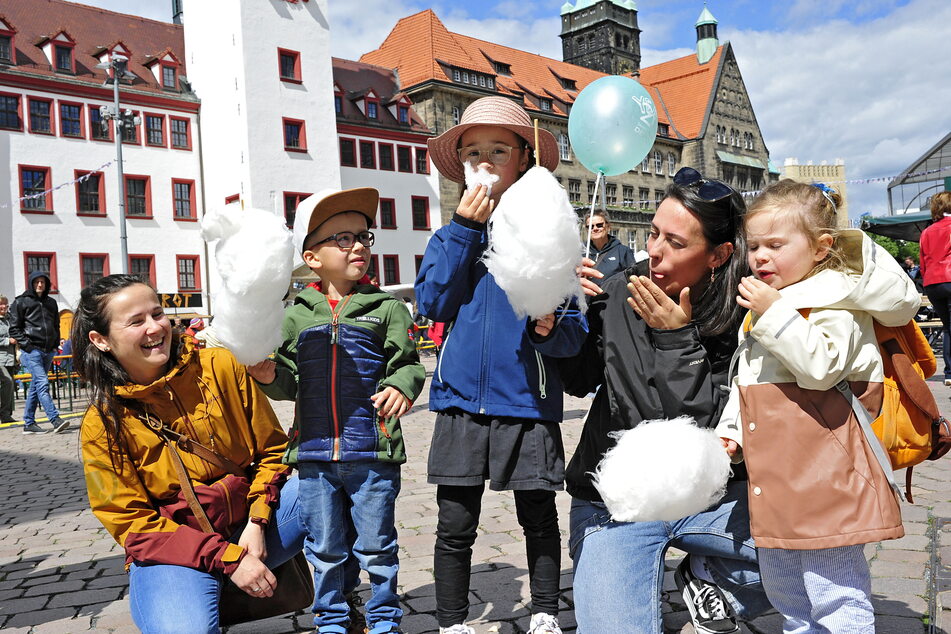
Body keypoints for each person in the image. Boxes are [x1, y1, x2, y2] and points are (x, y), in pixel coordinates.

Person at [562, 166, 771, 634]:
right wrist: (557, 319)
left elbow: (705, 430)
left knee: (814, 549)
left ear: (718, 254)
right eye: (654, 233)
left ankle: (710, 579)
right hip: (615, 498)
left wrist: (677, 340)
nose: (653, 250)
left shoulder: (748, 315)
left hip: (713, 495)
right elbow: (576, 379)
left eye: (676, 243)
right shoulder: (621, 292)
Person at [416, 95, 588, 634]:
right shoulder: (448, 237)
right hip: (460, 401)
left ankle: (543, 613)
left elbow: (574, 334)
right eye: (473, 152)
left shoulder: (550, 236)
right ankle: (451, 621)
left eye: (499, 150)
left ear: (525, 158)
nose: (485, 161)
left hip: (527, 401)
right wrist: (466, 232)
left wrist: (550, 327)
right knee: (454, 524)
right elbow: (432, 303)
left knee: (538, 517)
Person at [716, 180, 918, 632]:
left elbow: (821, 368)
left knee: (836, 593)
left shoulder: (836, 302)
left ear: (821, 247)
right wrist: (730, 430)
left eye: (775, 244)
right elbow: (747, 379)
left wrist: (774, 314)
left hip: (828, 473)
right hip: (781, 473)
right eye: (754, 246)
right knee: (786, 591)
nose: (760, 256)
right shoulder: (770, 305)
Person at [75, 274, 306, 634]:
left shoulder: (221, 366)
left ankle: (342, 608)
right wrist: (226, 558)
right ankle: (201, 590)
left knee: (327, 484)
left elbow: (273, 450)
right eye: (136, 321)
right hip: (176, 555)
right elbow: (131, 524)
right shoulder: (102, 423)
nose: (155, 328)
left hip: (251, 527)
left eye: (157, 314)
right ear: (101, 340)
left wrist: (258, 521)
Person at [249, 187, 426, 634]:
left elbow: (408, 364)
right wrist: (267, 374)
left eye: (364, 237)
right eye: (343, 239)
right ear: (312, 257)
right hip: (313, 456)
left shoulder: (387, 308)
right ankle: (333, 620)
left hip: (373, 454)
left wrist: (400, 387)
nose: (359, 247)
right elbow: (289, 383)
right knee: (326, 548)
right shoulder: (293, 317)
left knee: (378, 548)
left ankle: (385, 620)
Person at [9, 271, 68, 434]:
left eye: (42, 282)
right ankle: (55, 419)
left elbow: (56, 324)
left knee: (36, 386)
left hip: (48, 350)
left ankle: (28, 423)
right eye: (36, 282)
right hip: (32, 350)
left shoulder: (51, 302)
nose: (40, 285)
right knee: (42, 383)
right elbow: (14, 329)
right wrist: (28, 346)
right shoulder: (21, 302)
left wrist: (55, 344)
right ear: (31, 283)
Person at [919, 191, 951, 385]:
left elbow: (922, 262)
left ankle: (949, 373)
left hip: (932, 283)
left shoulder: (927, 231)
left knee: (947, 327)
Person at [585, 211, 635, 281]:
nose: (595, 229)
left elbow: (632, 279)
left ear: (608, 227)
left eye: (599, 225)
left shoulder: (623, 251)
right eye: (590, 226)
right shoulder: (581, 252)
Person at [0, 295, 16, 423]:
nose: (4, 306)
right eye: (1, 304)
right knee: (8, 382)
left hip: (11, 358)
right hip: (0, 359)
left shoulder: (10, 319)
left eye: (5, 303)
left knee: (10, 386)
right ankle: (4, 414)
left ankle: (7, 415)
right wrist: (7, 340)